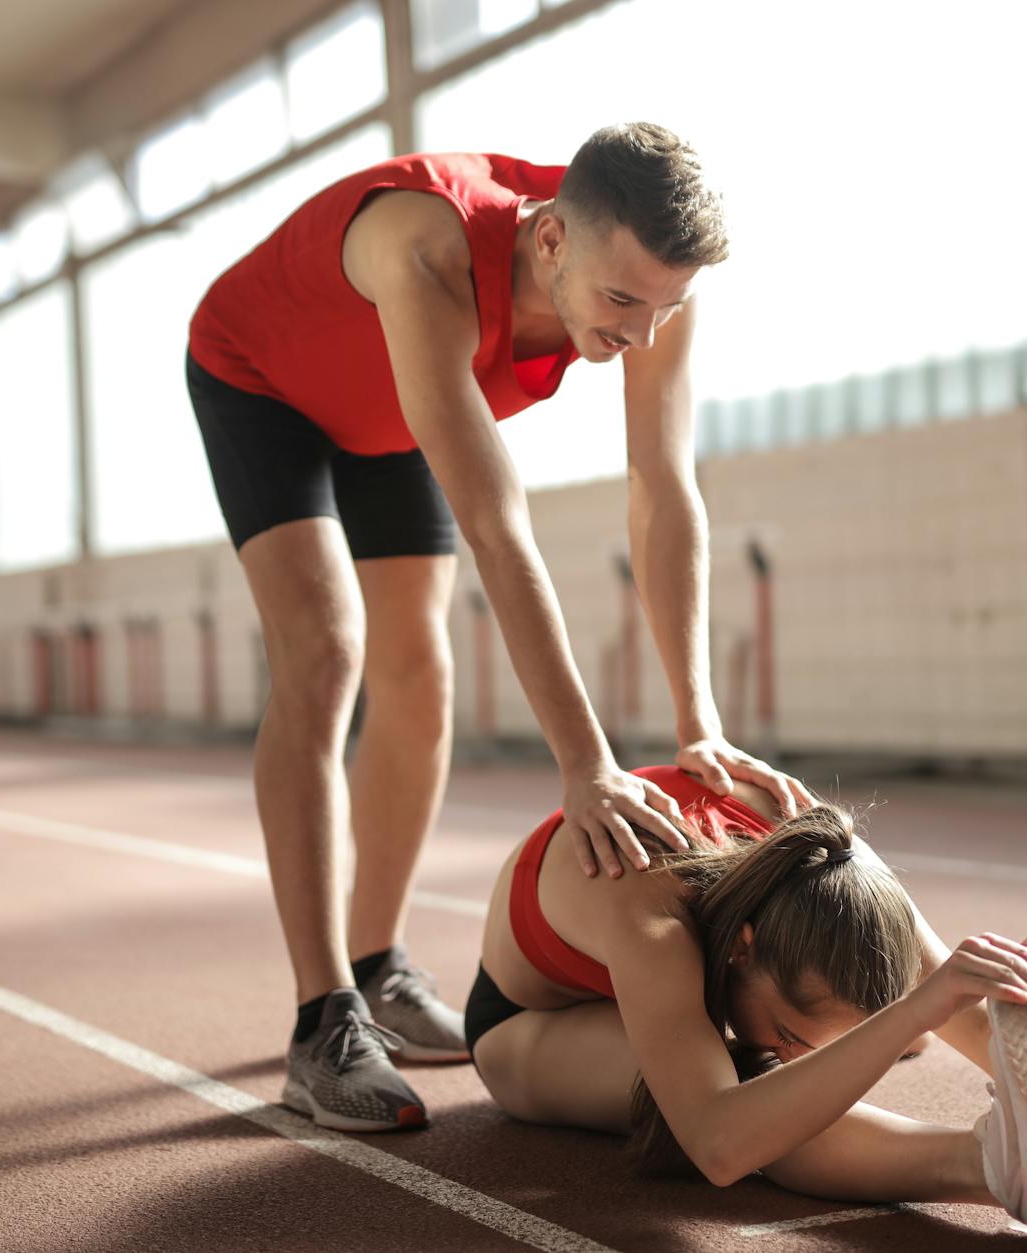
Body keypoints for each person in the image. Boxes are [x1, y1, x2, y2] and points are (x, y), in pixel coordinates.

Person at [185, 123, 812, 1131]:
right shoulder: (424, 246)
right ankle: (320, 1016)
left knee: (420, 672)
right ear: (552, 240)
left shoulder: (646, 283)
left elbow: (662, 488)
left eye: (666, 311)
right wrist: (585, 763)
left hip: (389, 405)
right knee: (327, 648)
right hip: (263, 381)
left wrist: (698, 723)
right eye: (621, 305)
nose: (640, 338)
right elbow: (493, 521)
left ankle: (376, 960)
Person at [465, 765, 1027, 1249]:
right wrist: (915, 1011)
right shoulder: (652, 916)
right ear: (742, 950)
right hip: (528, 1022)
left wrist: (1026, 1000)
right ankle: (994, 1164)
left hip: (690, 973)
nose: (794, 1050)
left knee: (853, 1030)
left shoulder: (833, 860)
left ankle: (1024, 1152)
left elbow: (946, 987)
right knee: (755, 1093)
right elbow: (718, 1144)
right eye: (788, 1030)